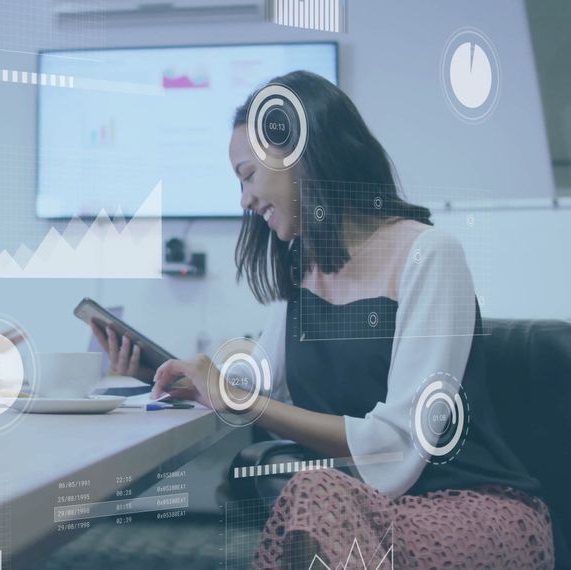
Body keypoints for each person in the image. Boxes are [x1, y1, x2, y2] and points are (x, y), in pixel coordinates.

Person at [94, 71, 554, 569]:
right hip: (373, 511)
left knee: (315, 492)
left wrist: (239, 399)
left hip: (469, 511)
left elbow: (399, 443)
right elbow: (257, 384)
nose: (244, 200)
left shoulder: (429, 254)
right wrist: (166, 374)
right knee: (318, 495)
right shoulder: (304, 269)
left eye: (247, 175)